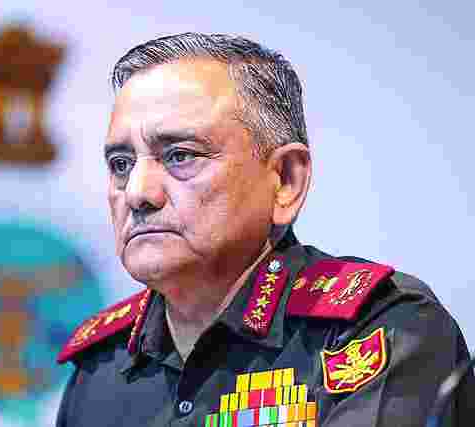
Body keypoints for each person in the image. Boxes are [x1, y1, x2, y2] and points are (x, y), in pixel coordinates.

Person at [54, 33, 474, 427]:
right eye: (121, 164)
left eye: (181, 155)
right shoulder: (100, 366)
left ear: (286, 181)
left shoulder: (379, 328)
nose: (137, 192)